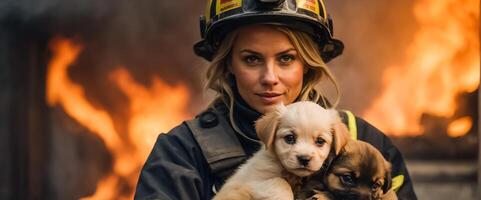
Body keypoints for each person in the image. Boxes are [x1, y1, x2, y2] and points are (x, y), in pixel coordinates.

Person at [134, 0, 417, 199]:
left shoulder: (368, 145)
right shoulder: (182, 152)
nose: (270, 77)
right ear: (228, 63)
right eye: (252, 59)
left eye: (286, 58)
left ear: (306, 63)